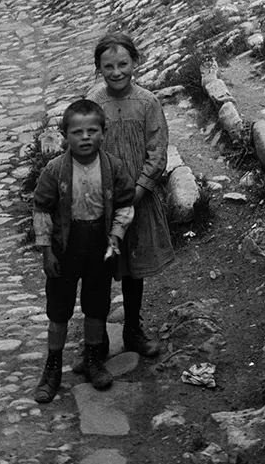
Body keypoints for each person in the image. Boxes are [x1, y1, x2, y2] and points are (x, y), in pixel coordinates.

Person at [32, 99, 135, 403]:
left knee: (97, 304)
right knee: (59, 308)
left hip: (99, 247)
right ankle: (52, 368)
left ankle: (93, 358)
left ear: (104, 133)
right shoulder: (55, 170)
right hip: (66, 247)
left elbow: (126, 204)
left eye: (93, 130)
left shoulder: (113, 167)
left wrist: (116, 235)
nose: (85, 137)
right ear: (65, 136)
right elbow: (41, 209)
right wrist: (47, 251)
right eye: (77, 132)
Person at [86, 35, 173, 360]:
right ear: (99, 69)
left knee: (133, 268)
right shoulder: (94, 102)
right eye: (108, 66)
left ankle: (132, 330)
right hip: (101, 204)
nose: (117, 71)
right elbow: (85, 147)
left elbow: (157, 148)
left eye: (123, 64)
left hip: (138, 199)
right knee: (99, 269)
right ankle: (95, 343)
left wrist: (138, 191)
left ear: (135, 63)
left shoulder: (148, 102)